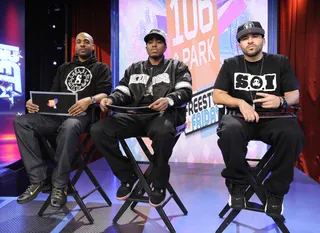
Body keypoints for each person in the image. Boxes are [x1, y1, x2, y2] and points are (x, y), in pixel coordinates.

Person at [91, 28, 192, 207]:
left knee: (162, 133)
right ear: (146, 47)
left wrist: (168, 100)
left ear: (165, 46)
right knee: (99, 130)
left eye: (158, 42)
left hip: (163, 115)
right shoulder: (134, 68)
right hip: (136, 116)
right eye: (150, 42)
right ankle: (127, 176)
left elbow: (185, 91)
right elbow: (123, 92)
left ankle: (159, 184)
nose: (154, 45)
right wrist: (110, 99)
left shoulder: (177, 67)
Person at [213, 21, 304, 218]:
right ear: (239, 45)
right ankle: (237, 185)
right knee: (228, 130)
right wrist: (239, 102)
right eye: (244, 38)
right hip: (240, 118)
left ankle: (275, 192)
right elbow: (217, 95)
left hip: (273, 119)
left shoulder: (280, 62)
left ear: (263, 39)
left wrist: (280, 100)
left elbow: (294, 95)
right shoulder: (230, 64)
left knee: (293, 134)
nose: (250, 41)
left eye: (254, 36)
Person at [13, 32, 112, 209]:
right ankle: (39, 179)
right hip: (57, 116)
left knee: (70, 125)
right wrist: (36, 103)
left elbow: (106, 93)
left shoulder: (100, 68)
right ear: (76, 46)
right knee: (22, 122)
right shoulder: (64, 68)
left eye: (86, 42)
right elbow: (53, 97)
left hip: (83, 117)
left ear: (92, 46)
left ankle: (60, 185)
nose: (82, 45)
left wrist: (89, 100)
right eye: (79, 42)